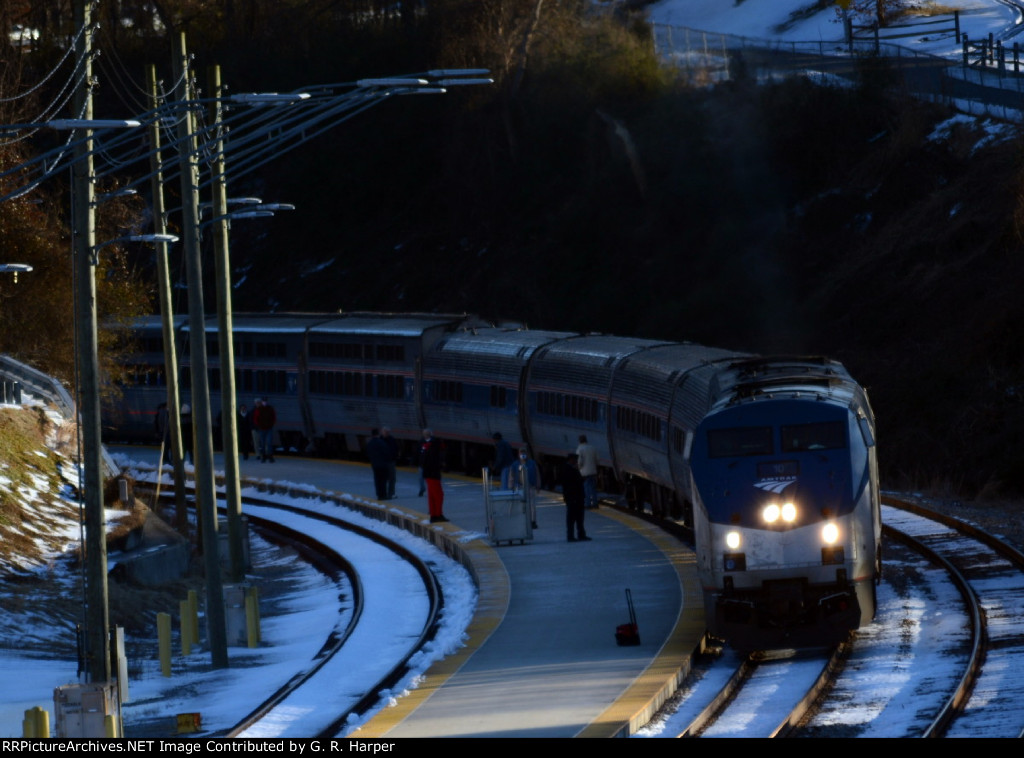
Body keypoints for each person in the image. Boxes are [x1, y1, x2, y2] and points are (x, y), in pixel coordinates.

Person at [504, 448, 541, 529]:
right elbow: (511, 476)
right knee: (520, 505)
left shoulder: (532, 463)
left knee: (532, 506)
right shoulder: (514, 465)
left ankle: (533, 522)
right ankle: (522, 520)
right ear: (518, 454)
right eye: (521, 453)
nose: (523, 455)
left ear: (527, 454)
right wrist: (511, 487)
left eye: (524, 453)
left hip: (530, 487)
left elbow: (537, 474)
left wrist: (538, 485)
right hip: (519, 487)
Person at [561, 452, 590, 542]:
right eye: (575, 459)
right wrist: (582, 479)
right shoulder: (568, 469)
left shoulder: (571, 469)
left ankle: (580, 534)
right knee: (572, 518)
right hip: (573, 497)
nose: (576, 461)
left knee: (579, 517)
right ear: (571, 460)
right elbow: (572, 483)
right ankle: (571, 536)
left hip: (576, 497)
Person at [420, 428, 447, 523]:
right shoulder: (434, 445)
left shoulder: (424, 445)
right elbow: (436, 458)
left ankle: (433, 515)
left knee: (431, 496)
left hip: (427, 473)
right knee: (439, 495)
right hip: (433, 474)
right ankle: (438, 514)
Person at [366, 428, 392, 500]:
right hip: (383, 464)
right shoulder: (381, 442)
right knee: (383, 480)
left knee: (377, 479)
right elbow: (386, 452)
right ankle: (383, 494)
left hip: (374, 464)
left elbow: (368, 453)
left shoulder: (370, 443)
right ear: (378, 434)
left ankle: (379, 494)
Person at [577, 434, 599, 509]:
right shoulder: (592, 448)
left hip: (584, 472)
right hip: (593, 471)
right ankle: (595, 504)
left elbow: (579, 462)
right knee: (593, 488)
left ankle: (588, 504)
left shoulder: (580, 449)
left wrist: (579, 469)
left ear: (579, 441)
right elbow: (597, 460)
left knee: (586, 489)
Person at [253, 398, 277, 462]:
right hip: (262, 428)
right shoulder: (259, 409)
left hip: (268, 428)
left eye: (265, 401)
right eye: (263, 401)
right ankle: (264, 457)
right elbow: (256, 418)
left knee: (268, 443)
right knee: (263, 443)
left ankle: (269, 456)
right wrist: (259, 425)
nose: (264, 403)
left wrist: (271, 424)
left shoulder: (270, 408)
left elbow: (273, 417)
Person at [382, 426, 399, 499]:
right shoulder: (380, 440)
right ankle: (385, 493)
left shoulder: (392, 439)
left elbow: (396, 449)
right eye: (385, 432)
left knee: (392, 478)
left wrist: (395, 457)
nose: (386, 433)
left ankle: (391, 493)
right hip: (384, 462)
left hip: (391, 461)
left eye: (387, 432)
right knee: (385, 479)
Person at [154, 402, 171, 466]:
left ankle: (165, 458)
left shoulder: (159, 412)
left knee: (165, 446)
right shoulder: (165, 413)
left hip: (161, 431)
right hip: (165, 432)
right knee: (167, 446)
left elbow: (156, 423)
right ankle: (166, 459)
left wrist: (157, 432)